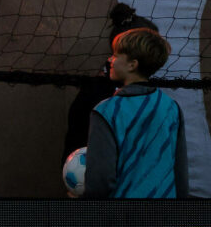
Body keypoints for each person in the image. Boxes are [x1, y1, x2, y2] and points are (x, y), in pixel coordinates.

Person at [78, 26, 186, 197]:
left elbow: (100, 180)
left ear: (132, 65)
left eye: (115, 55)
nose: (110, 60)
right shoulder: (171, 108)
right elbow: (180, 171)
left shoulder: (106, 111)